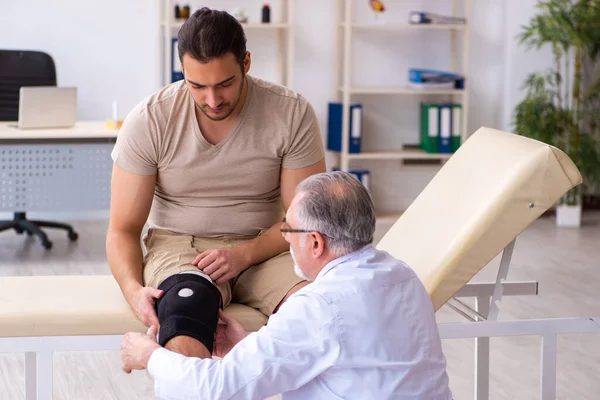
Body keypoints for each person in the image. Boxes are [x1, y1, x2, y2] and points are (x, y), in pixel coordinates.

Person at [106, 6, 326, 360]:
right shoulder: (150, 119)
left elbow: (307, 220)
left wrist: (244, 254)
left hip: (268, 247)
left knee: (318, 313)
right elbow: (123, 229)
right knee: (183, 315)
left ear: (247, 63)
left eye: (225, 84)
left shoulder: (291, 113)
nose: (212, 100)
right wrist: (134, 291)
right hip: (182, 248)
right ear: (182, 71)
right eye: (197, 86)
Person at [120, 171, 454, 400]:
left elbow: (214, 389)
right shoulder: (402, 275)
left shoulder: (319, 305)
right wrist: (251, 344)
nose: (285, 239)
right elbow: (353, 355)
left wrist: (150, 356)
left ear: (314, 243)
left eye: (288, 231)